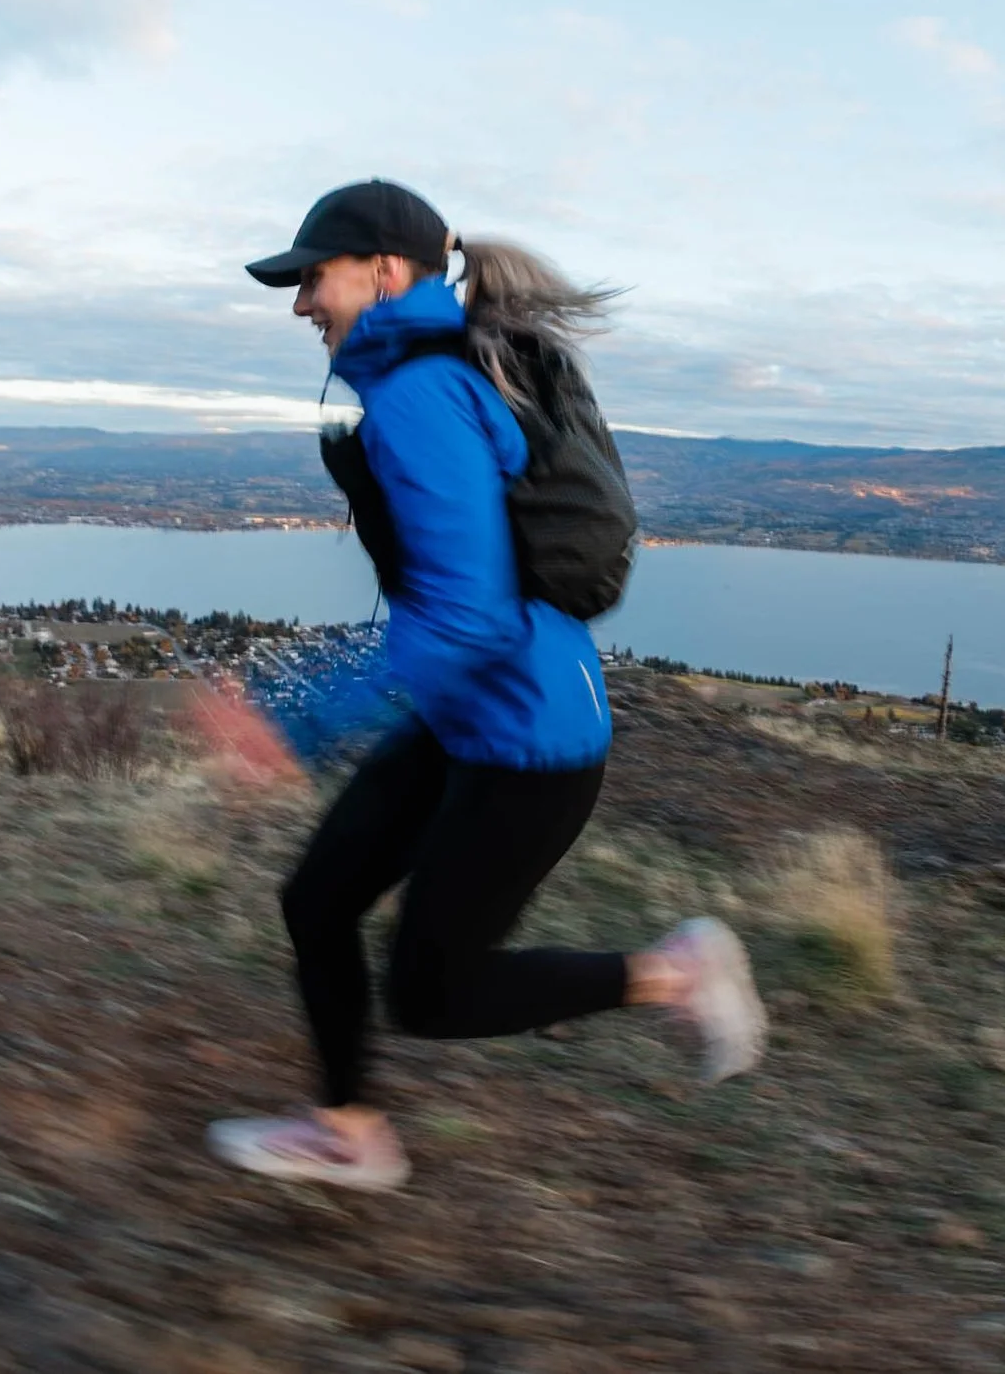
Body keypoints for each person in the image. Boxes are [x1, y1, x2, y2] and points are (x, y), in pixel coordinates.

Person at [206, 179, 767, 1191]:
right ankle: (348, 1129)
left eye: (310, 279)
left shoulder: (421, 392)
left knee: (434, 990)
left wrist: (296, 721)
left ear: (383, 272)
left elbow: (468, 614)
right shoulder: (426, 374)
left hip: (531, 743)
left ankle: (677, 972)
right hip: (470, 714)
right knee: (319, 900)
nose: (297, 304)